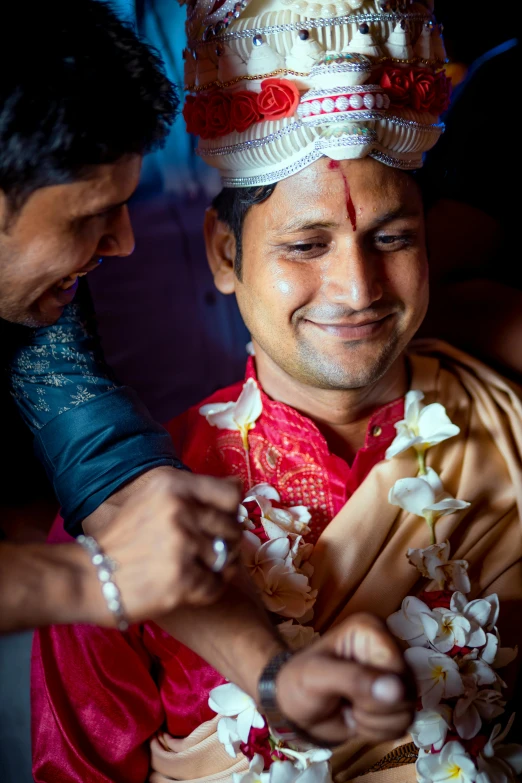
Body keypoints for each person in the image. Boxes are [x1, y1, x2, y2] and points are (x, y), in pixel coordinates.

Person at [32, 2, 522, 782]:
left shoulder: (509, 434)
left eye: (391, 238)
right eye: (305, 244)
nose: (357, 286)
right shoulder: (121, 536)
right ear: (225, 255)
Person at [0, 0, 245, 634]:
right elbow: (118, 572)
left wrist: (273, 675)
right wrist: (89, 579)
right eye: (88, 218)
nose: (123, 246)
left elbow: (94, 438)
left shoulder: (45, 303)